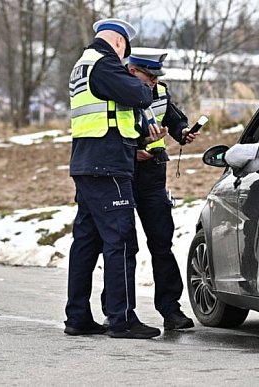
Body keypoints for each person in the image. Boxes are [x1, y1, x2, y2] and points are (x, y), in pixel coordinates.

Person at [65, 18, 165, 339]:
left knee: (86, 243)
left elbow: (109, 111)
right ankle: (121, 319)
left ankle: (77, 316)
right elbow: (140, 94)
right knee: (121, 241)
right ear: (120, 42)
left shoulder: (82, 65)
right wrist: (142, 86)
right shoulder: (105, 64)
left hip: (87, 163)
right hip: (108, 166)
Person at [103, 47, 197, 331]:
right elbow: (109, 131)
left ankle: (171, 309)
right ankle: (117, 310)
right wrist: (133, 151)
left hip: (153, 175)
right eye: (150, 76)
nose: (155, 82)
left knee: (161, 243)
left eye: (157, 77)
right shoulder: (115, 88)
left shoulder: (160, 91)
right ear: (132, 71)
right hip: (124, 172)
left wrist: (183, 132)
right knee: (123, 245)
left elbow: (173, 117)